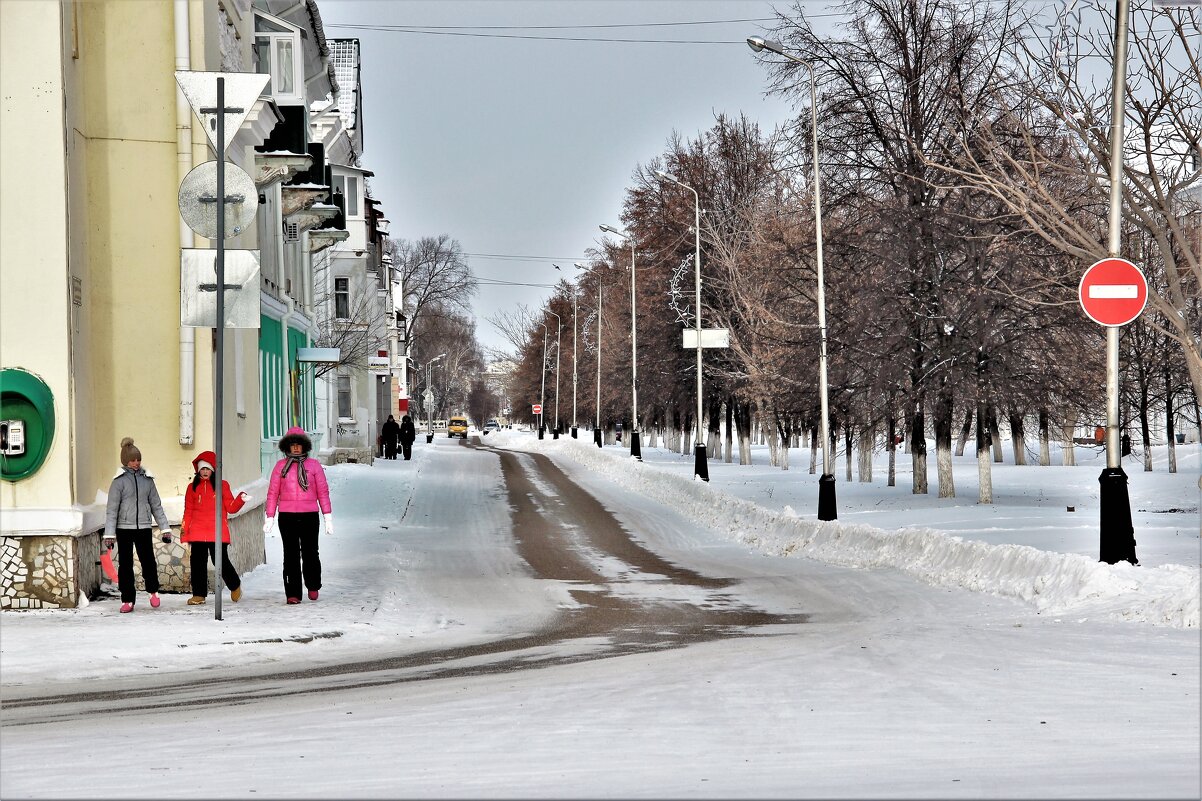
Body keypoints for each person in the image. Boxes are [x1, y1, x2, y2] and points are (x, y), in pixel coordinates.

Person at [104, 437, 172, 613]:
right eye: (133, 460)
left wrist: (165, 528)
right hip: (123, 529)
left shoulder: (147, 480)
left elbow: (156, 505)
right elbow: (112, 510)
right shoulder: (118, 482)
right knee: (125, 565)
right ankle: (127, 599)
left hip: (143, 527)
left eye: (138, 459)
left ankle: (153, 591)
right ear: (126, 461)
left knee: (148, 560)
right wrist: (109, 534)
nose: (136, 463)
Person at [264, 426, 332, 605]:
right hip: (287, 516)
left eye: (298, 444)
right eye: (292, 444)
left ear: (304, 446)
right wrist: (269, 516)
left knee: (310, 552)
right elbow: (273, 493)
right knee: (291, 555)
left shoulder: (314, 466)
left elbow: (323, 492)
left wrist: (328, 516)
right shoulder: (280, 467)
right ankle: (293, 593)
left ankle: (313, 584)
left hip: (309, 515)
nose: (295, 448)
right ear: (287, 446)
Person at [181, 450, 247, 606]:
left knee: (220, 561)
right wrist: (184, 534)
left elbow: (230, 507)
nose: (204, 472)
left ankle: (234, 585)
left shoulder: (222, 485)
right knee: (197, 563)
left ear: (213, 470)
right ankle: (198, 595)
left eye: (207, 469)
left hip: (217, 531)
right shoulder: (192, 487)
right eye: (202, 469)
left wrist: (241, 499)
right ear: (198, 470)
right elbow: (188, 511)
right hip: (197, 532)